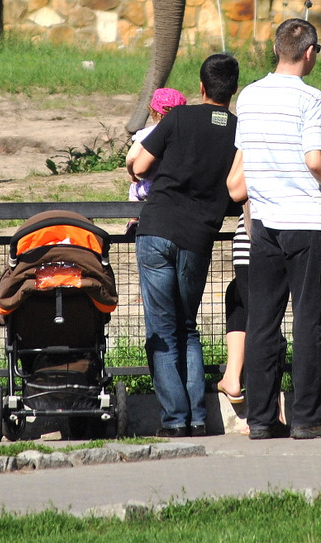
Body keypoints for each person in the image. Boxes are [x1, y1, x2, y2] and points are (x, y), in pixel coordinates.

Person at [229, 18, 321, 440]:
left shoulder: (248, 96)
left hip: (261, 222)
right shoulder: (310, 97)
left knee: (263, 321)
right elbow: (315, 159)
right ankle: (309, 415)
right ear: (309, 52)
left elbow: (243, 163)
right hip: (304, 220)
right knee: (308, 320)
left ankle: (261, 418)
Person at [128, 55, 240, 437]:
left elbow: (141, 166)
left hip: (157, 229)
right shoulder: (239, 131)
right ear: (234, 90)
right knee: (187, 328)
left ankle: (175, 420)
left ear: (202, 87)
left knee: (161, 328)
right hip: (198, 238)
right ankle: (195, 417)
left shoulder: (177, 118)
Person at [124, 88, 187, 234]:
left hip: (150, 188)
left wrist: (132, 174)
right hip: (178, 188)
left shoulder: (147, 133)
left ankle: (134, 221)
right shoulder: (184, 135)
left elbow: (131, 157)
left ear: (153, 111)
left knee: (134, 189)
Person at [217, 200, 250, 408]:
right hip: (300, 231)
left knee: (265, 326)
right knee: (236, 294)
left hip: (254, 236)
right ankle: (232, 376)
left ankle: (268, 409)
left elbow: (235, 189)